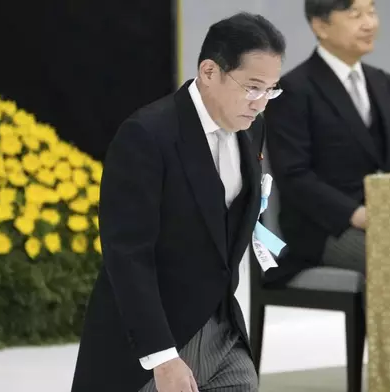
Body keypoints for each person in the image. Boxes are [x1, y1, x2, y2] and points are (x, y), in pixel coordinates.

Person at [70, 12, 285, 392]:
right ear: (208, 71)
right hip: (155, 340)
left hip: (222, 328)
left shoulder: (252, 127)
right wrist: (162, 357)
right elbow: (127, 254)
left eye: (271, 90)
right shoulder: (148, 136)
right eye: (252, 87)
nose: (260, 103)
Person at [263, 0, 390, 286]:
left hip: (386, 215)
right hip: (325, 227)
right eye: (355, 14)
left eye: (372, 12)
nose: (369, 23)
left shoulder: (382, 82)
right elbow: (295, 177)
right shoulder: (293, 91)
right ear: (320, 25)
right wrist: (355, 214)